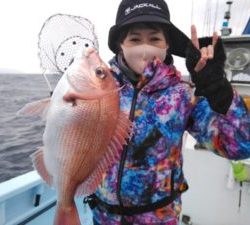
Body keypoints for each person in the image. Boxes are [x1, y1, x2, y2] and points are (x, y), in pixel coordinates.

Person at [84, 0, 250, 224]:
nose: (144, 47)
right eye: (134, 39)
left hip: (159, 218)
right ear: (120, 44)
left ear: (167, 45)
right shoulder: (99, 87)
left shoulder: (183, 94)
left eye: (154, 39)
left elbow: (241, 145)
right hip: (103, 215)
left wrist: (217, 88)